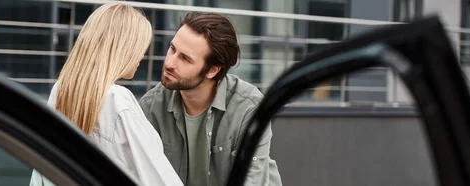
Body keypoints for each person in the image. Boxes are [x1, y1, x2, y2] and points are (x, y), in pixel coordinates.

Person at [29, 3, 183, 186]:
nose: (142, 56)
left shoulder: (61, 89)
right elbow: (159, 179)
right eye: (140, 47)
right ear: (123, 49)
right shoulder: (117, 101)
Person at [139, 12, 283, 186]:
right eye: (173, 48)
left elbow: (251, 181)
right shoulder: (151, 106)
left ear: (212, 70)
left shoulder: (248, 108)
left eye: (185, 58)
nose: (169, 63)